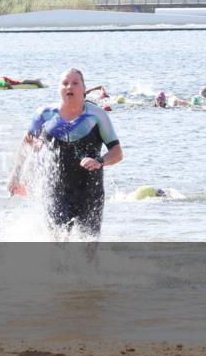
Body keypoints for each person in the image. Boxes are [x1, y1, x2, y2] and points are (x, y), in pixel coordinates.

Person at [7, 68, 123, 236]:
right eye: (65, 83)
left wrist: (99, 161)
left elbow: (117, 152)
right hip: (54, 188)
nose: (70, 87)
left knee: (88, 248)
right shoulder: (44, 115)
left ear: (83, 89)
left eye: (75, 83)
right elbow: (27, 144)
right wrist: (15, 176)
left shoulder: (97, 116)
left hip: (90, 190)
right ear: (58, 89)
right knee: (58, 244)